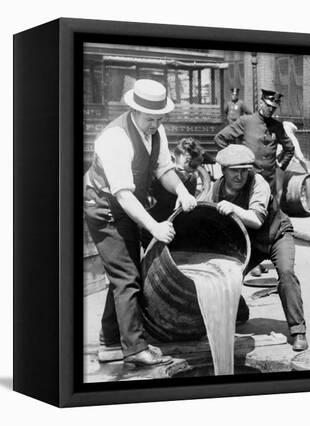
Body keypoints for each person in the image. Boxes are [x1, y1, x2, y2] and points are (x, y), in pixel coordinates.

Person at [83, 79, 197, 368]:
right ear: (134, 110)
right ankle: (134, 349)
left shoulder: (156, 131)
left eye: (160, 119)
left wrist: (182, 190)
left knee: (126, 274)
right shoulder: (115, 138)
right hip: (104, 205)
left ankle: (110, 344)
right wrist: (154, 227)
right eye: (150, 119)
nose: (155, 125)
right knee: (126, 276)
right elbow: (123, 195)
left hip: (124, 204)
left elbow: (163, 169)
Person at [200, 144, 308, 351]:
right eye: (234, 171)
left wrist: (233, 208)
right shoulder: (216, 189)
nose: (240, 176)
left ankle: (298, 330)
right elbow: (202, 209)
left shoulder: (258, 183)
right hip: (251, 243)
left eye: (244, 170)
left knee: (286, 274)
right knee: (228, 276)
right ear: (223, 171)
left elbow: (257, 220)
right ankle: (240, 311)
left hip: (277, 234)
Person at [215, 89, 295, 196]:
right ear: (261, 103)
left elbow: (290, 148)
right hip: (248, 179)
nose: (271, 109)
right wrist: (234, 161)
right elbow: (220, 138)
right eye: (268, 106)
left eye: (274, 108)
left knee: (270, 210)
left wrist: (281, 165)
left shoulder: (277, 126)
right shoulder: (246, 121)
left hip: (269, 181)